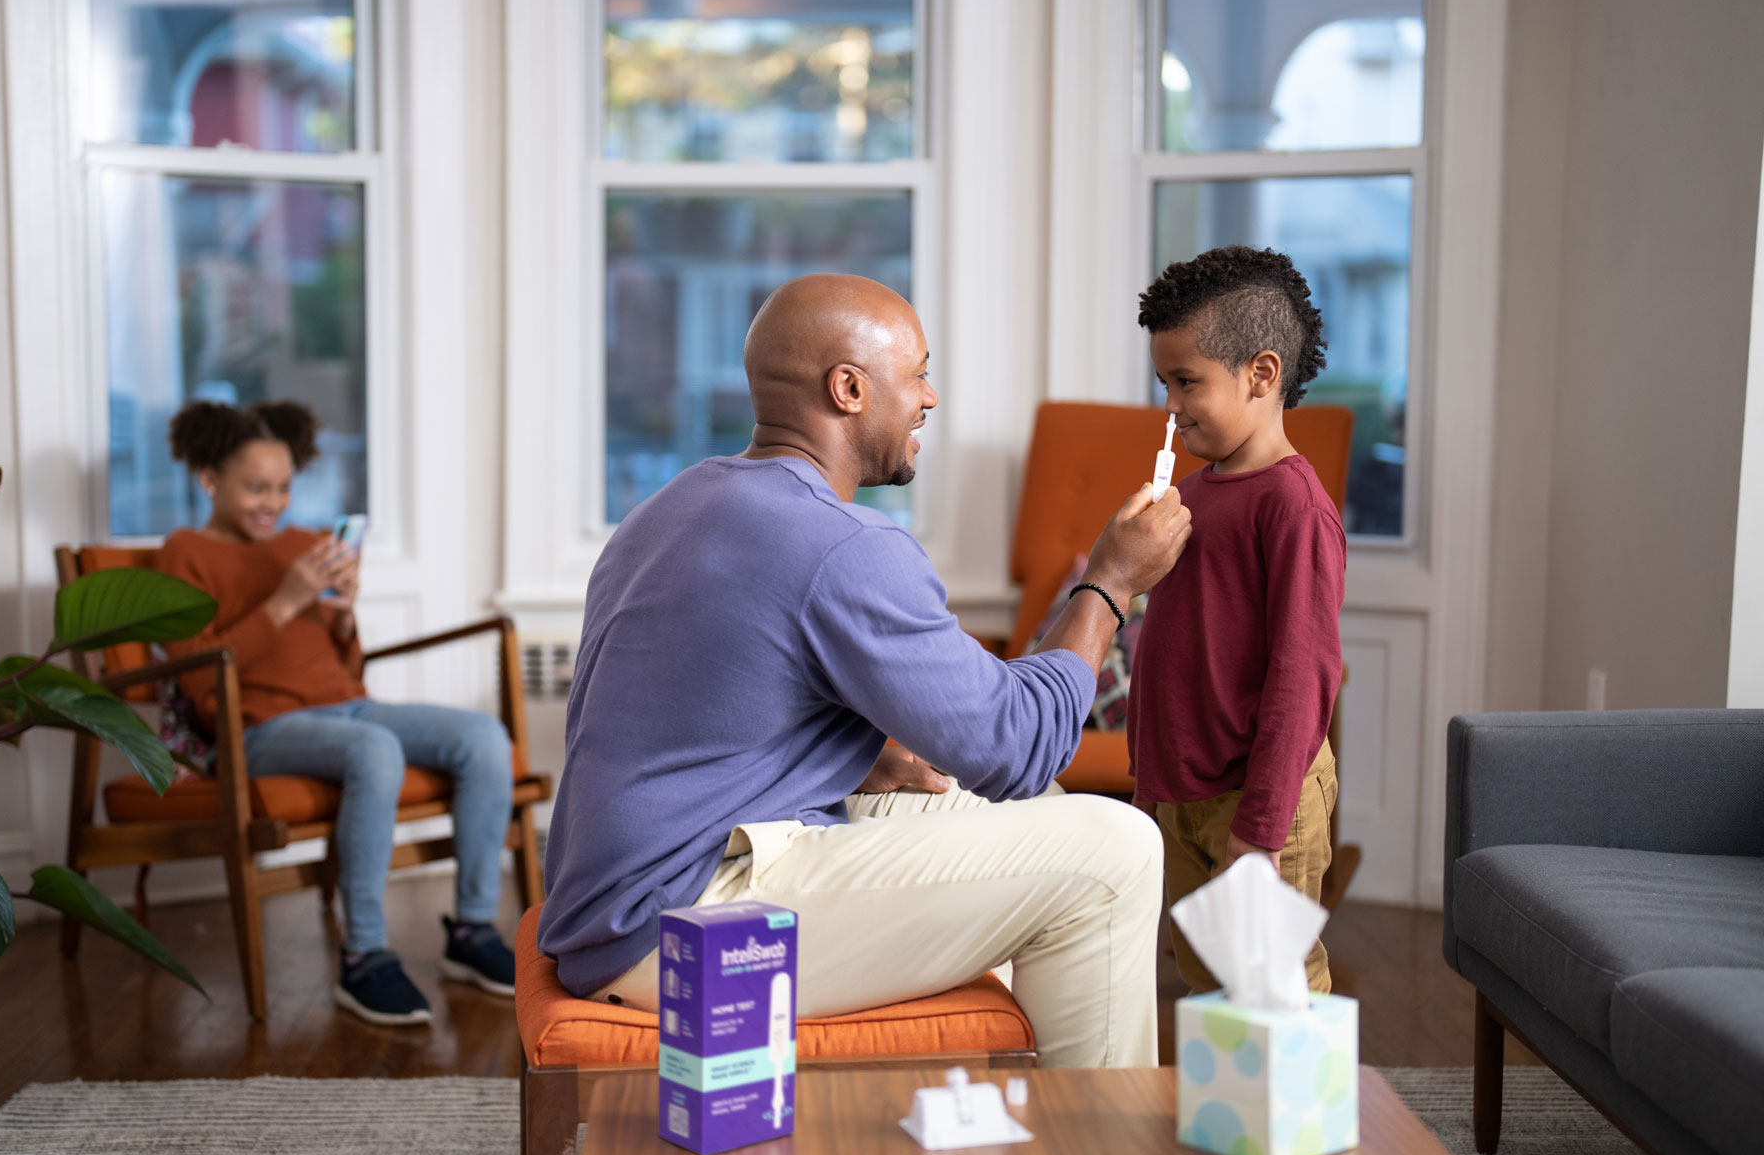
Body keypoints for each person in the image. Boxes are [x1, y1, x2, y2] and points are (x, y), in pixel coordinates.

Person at [538, 274, 1192, 1068]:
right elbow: (1022, 746)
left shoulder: (675, 506)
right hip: (675, 927)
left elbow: (696, 707)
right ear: (848, 389)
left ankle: (1003, 1114)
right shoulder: (842, 545)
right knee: (1113, 847)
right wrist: (1111, 582)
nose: (931, 396)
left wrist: (856, 752)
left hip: (610, 897)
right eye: (916, 372)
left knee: (990, 804)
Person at [155, 401, 517, 1026]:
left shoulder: (305, 545)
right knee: (374, 752)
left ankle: (473, 931)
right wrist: (286, 600)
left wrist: (343, 613)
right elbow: (194, 674)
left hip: (348, 708)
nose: (274, 502)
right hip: (257, 731)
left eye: (284, 487)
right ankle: (365, 955)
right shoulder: (184, 553)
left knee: (482, 736)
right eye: (256, 487)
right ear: (208, 479)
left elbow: (345, 669)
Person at [1127, 245, 1347, 994]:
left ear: (1261, 373)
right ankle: (1221, 1114)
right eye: (1165, 382)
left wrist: (1261, 826)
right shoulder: (1191, 493)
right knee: (1203, 978)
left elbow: (1302, 675)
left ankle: (1300, 1115)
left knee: (1272, 986)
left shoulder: (1294, 507)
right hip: (1183, 792)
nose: (1173, 405)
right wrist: (1152, 785)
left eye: (1187, 382)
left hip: (1260, 797)